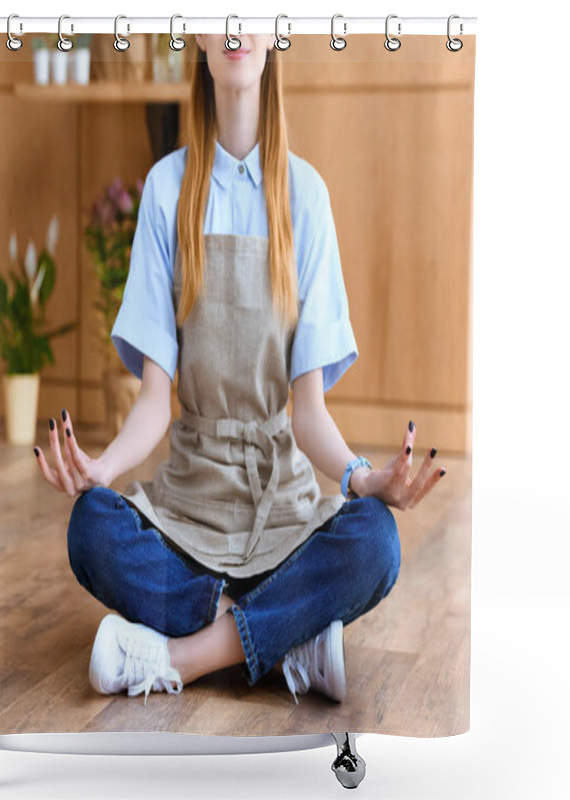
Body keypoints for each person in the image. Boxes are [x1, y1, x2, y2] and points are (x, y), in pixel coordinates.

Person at [33, 32, 446, 706]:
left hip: (279, 513)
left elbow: (308, 415)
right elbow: (152, 402)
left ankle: (182, 656)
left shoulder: (305, 196)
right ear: (195, 31)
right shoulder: (167, 189)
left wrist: (367, 478)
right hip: (187, 509)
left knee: (375, 540)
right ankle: (288, 636)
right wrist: (98, 474)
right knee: (91, 528)